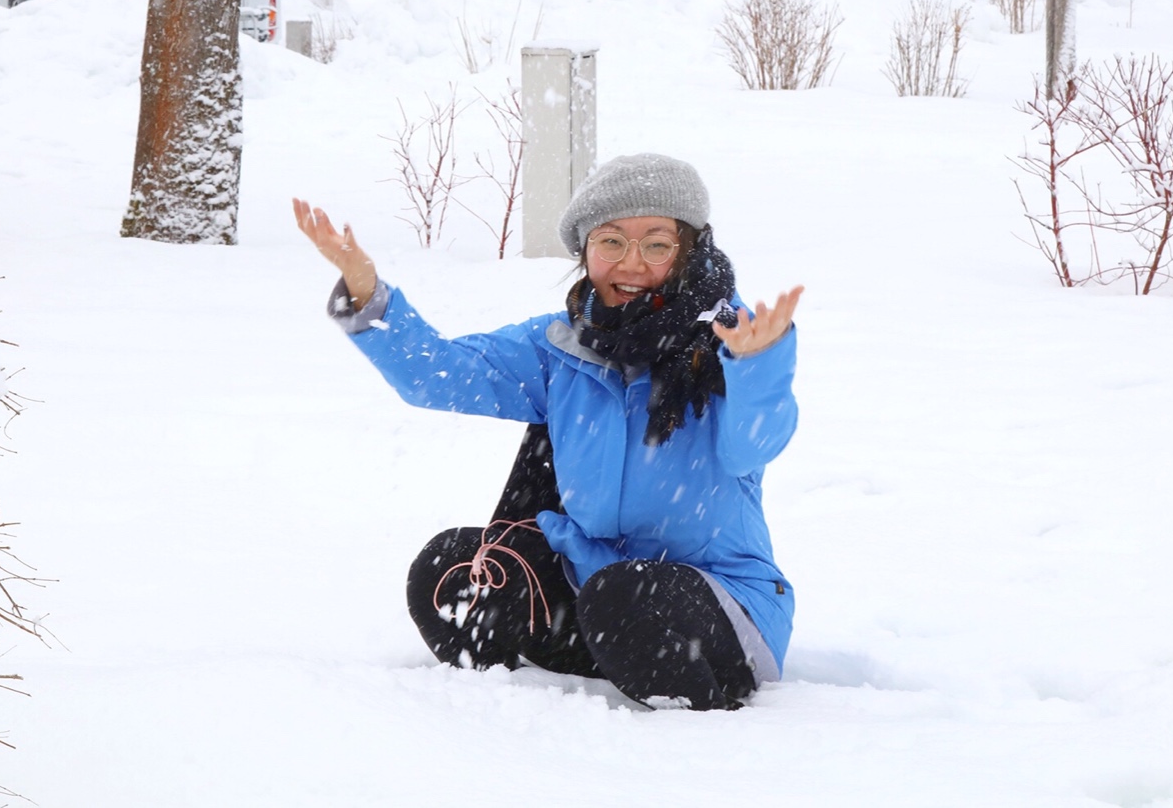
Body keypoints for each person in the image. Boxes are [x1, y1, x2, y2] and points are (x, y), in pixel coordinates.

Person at [293, 153, 804, 710]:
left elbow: (756, 442)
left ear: (689, 252)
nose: (632, 264)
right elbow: (438, 374)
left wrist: (757, 367)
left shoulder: (728, 346)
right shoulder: (559, 348)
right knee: (450, 570)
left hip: (721, 608)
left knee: (626, 597)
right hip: (598, 602)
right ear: (585, 251)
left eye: (657, 244)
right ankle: (556, 682)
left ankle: (691, 718)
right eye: (611, 242)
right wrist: (368, 296)